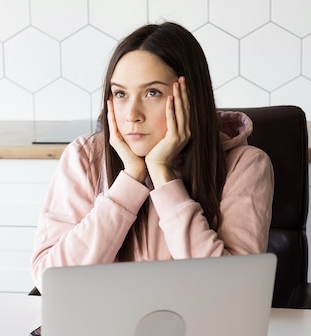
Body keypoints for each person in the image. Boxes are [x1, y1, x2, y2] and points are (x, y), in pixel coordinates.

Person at [30, 21, 274, 291]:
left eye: (152, 93)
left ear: (190, 98)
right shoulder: (84, 157)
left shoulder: (246, 165)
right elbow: (50, 281)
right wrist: (129, 182)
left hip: (200, 330)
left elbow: (235, 290)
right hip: (103, 328)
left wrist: (163, 174)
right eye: (120, 93)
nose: (132, 113)